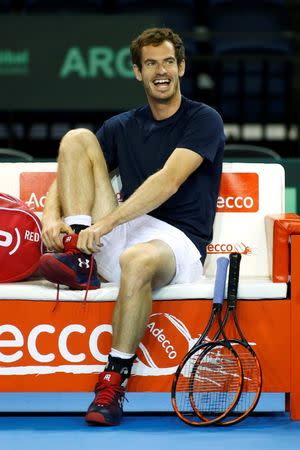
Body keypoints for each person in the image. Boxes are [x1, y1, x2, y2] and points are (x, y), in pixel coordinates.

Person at [39, 27, 225, 426]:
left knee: (136, 260)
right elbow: (66, 175)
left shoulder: (203, 119)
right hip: (128, 226)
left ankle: (112, 385)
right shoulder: (123, 125)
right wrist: (52, 218)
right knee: (77, 139)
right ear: (138, 72)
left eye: (169, 62)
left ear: (182, 67)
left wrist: (104, 223)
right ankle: (79, 260)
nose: (162, 71)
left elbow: (167, 181)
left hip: (176, 243)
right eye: (152, 63)